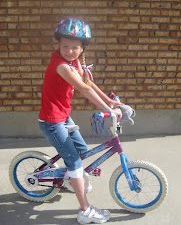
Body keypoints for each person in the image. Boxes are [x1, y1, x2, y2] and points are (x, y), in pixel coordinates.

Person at [39, 18, 122, 224]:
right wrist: (107, 110)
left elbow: (88, 82)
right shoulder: (62, 66)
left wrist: (109, 101)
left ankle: (68, 178)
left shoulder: (73, 62)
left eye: (74, 47)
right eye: (65, 46)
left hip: (62, 115)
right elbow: (84, 90)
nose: (69, 51)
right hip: (52, 121)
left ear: (82, 48)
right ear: (58, 45)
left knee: (82, 149)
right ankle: (85, 211)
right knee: (75, 163)